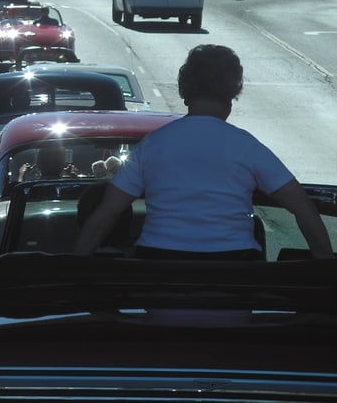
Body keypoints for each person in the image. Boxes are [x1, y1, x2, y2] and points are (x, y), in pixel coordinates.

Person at [74, 44, 333, 260]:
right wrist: (324, 266)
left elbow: (108, 212)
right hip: (235, 268)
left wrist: (76, 266)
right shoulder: (247, 146)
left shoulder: (152, 145)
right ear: (232, 96)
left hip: (159, 268)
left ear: (185, 93)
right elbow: (302, 206)